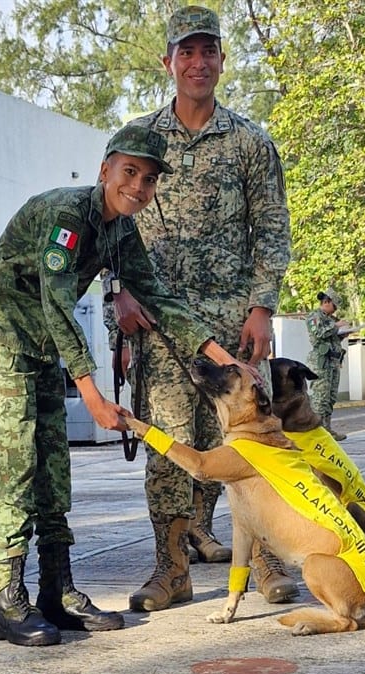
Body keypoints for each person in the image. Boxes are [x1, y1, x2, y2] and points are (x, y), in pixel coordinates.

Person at [0, 123, 243, 647]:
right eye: (129, 172)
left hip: (45, 343)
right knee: (19, 459)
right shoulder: (67, 217)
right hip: (6, 333)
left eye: (149, 178)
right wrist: (91, 392)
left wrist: (225, 359)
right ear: (105, 170)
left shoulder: (120, 230)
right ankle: (6, 598)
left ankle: (57, 589)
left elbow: (158, 299)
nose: (138, 187)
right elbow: (55, 300)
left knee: (52, 460)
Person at [104, 5, 298, 611]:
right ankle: (171, 568)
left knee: (251, 445)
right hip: (158, 328)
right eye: (185, 51)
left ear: (221, 59)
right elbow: (109, 219)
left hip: (229, 327)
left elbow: (271, 229)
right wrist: (119, 289)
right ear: (168, 61)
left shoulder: (249, 142)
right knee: (167, 445)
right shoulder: (138, 140)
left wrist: (262, 306)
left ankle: (264, 559)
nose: (197, 62)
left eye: (207, 50)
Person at [305, 287, 351, 441]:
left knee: (330, 397)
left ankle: (327, 429)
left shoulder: (331, 319)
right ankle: (316, 432)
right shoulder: (314, 316)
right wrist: (336, 326)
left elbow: (332, 338)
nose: (335, 310)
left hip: (333, 361)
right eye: (334, 306)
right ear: (326, 302)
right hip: (321, 363)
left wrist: (342, 334)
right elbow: (319, 333)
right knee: (320, 397)